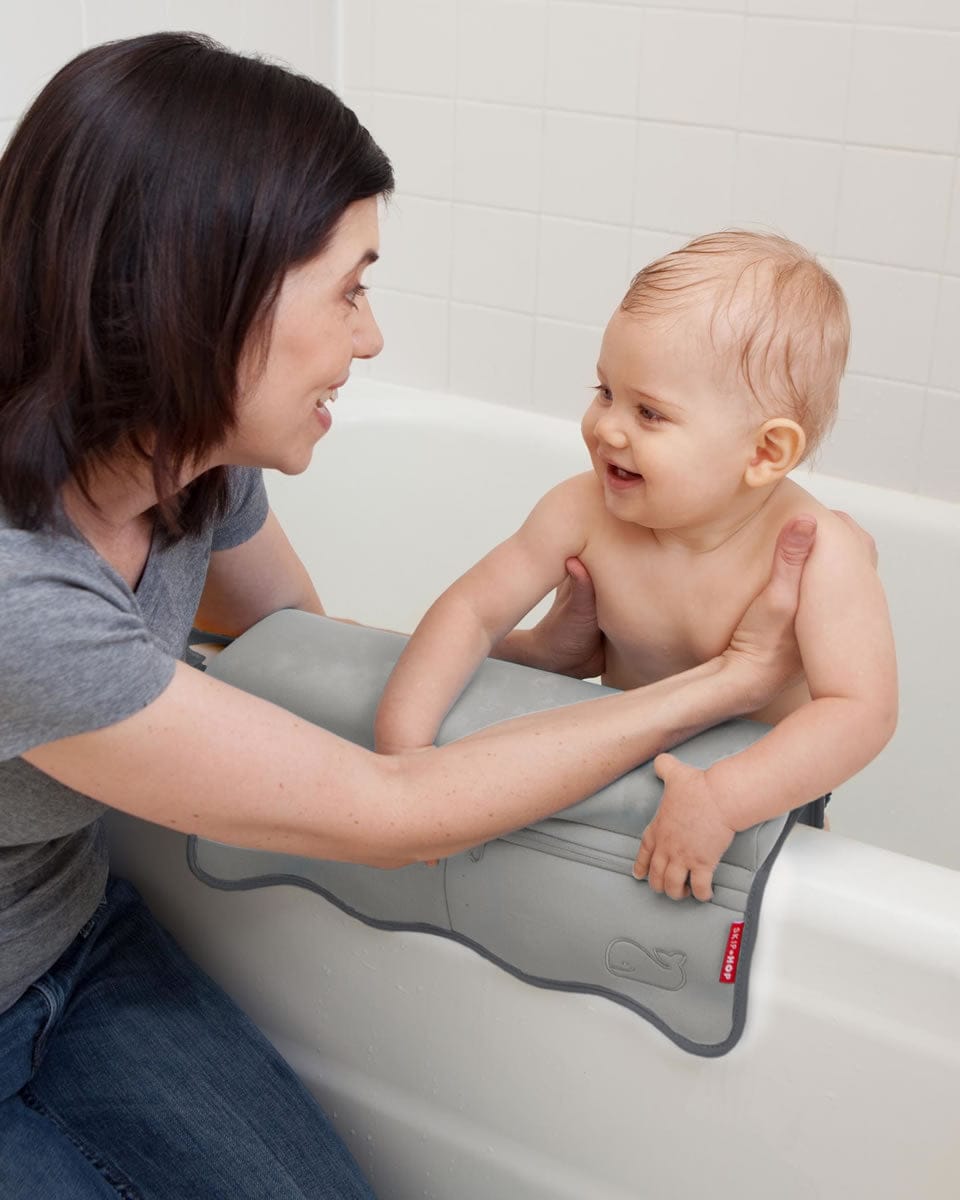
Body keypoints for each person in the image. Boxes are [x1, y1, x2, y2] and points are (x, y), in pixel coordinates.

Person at [0, 33, 831, 1200]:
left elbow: (295, 651)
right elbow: (390, 815)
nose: (372, 336)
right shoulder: (21, 596)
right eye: (350, 289)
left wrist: (532, 658)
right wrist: (724, 684)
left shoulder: (186, 468)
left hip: (73, 942)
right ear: (203, 298)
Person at [375, 231, 898, 904]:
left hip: (753, 814)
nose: (607, 428)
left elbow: (861, 711)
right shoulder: (583, 509)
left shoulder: (816, 552)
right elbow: (471, 613)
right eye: (605, 391)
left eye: (649, 412)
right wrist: (403, 755)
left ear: (765, 453)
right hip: (608, 774)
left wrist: (725, 799)